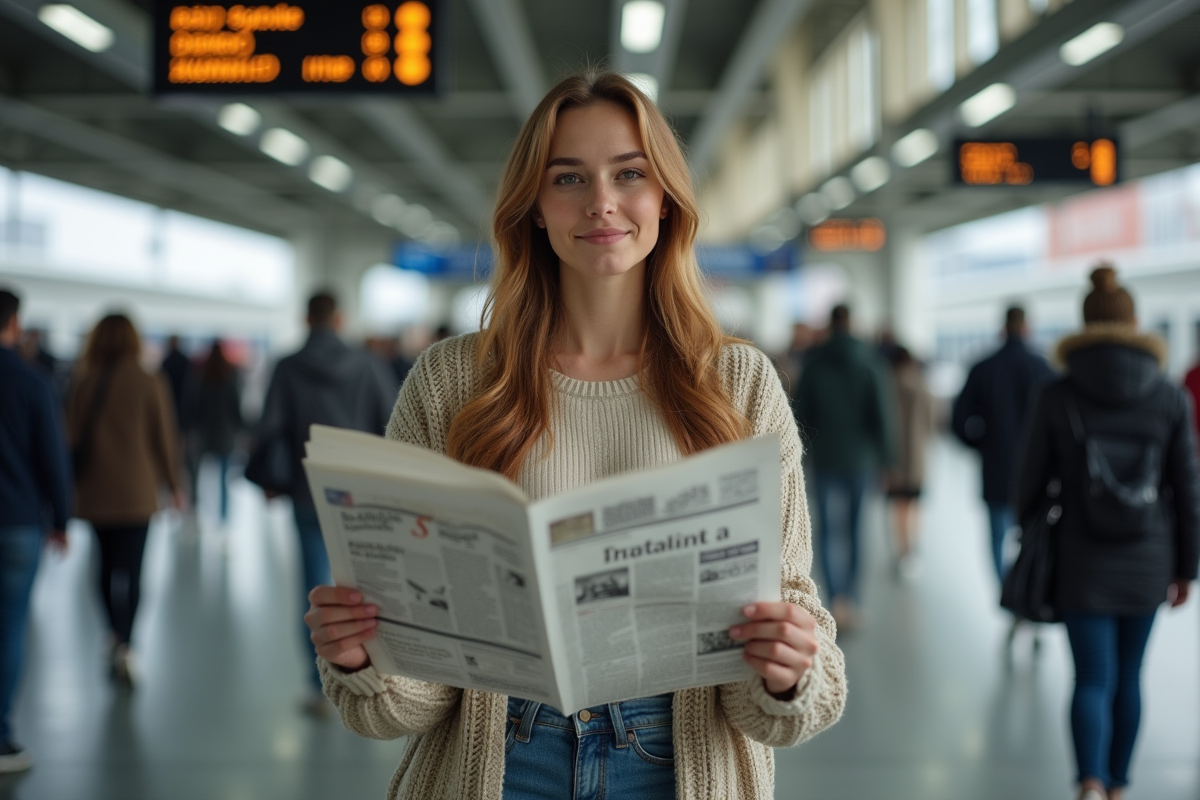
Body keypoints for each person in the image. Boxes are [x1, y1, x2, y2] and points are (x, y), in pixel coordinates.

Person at [303, 72, 846, 800]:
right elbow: (412, 702)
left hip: (676, 764)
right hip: (496, 761)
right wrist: (363, 657)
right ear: (532, 206)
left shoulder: (738, 384)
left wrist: (788, 672)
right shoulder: (452, 381)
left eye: (630, 173)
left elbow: (781, 686)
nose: (601, 202)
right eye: (568, 178)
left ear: (666, 200)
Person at [1013, 266, 1200, 800]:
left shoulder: (1058, 393)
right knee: (1130, 676)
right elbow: (1187, 488)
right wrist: (1187, 567)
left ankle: (1089, 784)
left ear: (1083, 321)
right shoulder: (1169, 396)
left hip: (1080, 555)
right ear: (1136, 322)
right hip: (1150, 555)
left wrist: (1030, 529)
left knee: (1091, 677)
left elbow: (1029, 483)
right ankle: (1118, 785)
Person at [254, 291, 396, 714]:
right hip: (362, 494)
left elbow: (270, 427)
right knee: (366, 586)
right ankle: (371, 676)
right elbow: (391, 420)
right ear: (339, 319)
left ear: (306, 318)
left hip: (307, 488)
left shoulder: (287, 366)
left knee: (315, 587)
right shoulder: (367, 364)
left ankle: (318, 685)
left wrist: (269, 479)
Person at [67, 313, 184, 687]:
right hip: (137, 492)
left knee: (103, 566)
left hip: (96, 489)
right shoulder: (149, 380)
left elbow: (69, 437)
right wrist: (175, 484)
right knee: (133, 570)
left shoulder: (84, 382)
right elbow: (164, 438)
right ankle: (128, 645)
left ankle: (111, 633)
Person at [0, 289, 72, 773]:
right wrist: (62, 519)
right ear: (14, 323)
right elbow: (53, 457)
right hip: (19, 522)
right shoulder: (32, 381)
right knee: (9, 627)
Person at [794, 303, 893, 629]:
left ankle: (835, 597)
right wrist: (887, 458)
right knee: (854, 528)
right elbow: (880, 415)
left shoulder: (813, 364)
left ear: (830, 325)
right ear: (852, 325)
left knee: (825, 529)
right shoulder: (869, 363)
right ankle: (852, 598)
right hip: (859, 460)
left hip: (823, 458)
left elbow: (800, 415)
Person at [952, 305, 1054, 584]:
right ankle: (1027, 593)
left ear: (1003, 328)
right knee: (1032, 536)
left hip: (996, 467)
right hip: (1038, 473)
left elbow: (958, 420)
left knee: (998, 537)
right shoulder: (1042, 367)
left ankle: (1006, 595)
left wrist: (981, 444)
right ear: (1026, 327)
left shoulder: (983, 367)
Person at [885, 346, 936, 578]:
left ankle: (902, 551)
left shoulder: (887, 386)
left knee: (899, 507)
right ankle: (913, 550)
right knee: (914, 505)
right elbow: (932, 421)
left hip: (894, 457)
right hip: (917, 457)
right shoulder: (922, 386)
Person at [185, 340, 243, 523]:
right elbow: (236, 410)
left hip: (204, 434)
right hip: (225, 435)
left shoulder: (202, 378)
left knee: (196, 476)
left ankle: (195, 510)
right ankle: (223, 518)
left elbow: (194, 408)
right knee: (224, 481)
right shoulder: (230, 378)